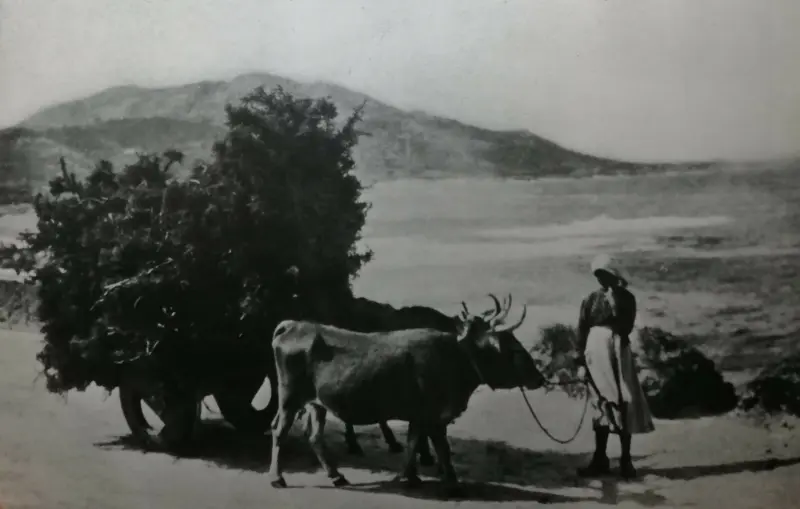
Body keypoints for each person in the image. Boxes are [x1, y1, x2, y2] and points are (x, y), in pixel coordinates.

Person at [575, 254, 655, 480]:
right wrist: (581, 362)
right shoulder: (590, 299)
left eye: (605, 274)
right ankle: (600, 459)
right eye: (598, 275)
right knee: (599, 403)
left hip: (618, 351)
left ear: (614, 276)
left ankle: (626, 460)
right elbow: (581, 330)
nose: (601, 279)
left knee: (623, 400)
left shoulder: (627, 298)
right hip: (594, 353)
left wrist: (614, 304)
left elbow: (626, 327)